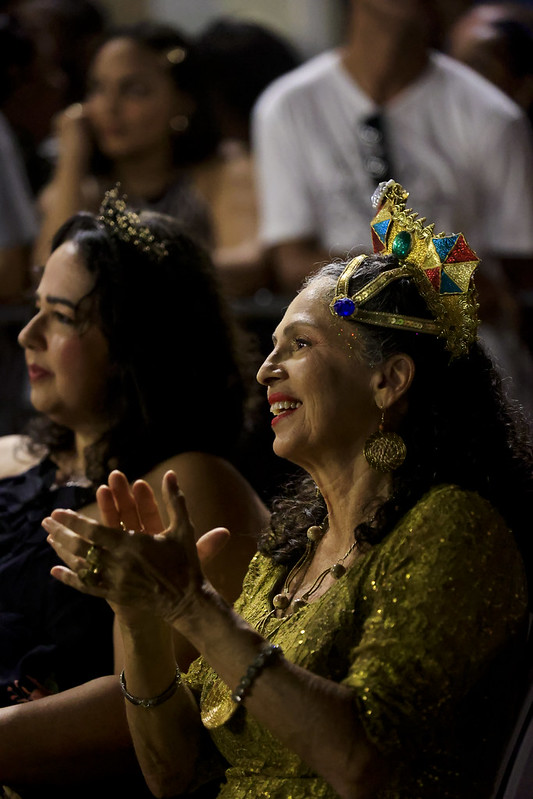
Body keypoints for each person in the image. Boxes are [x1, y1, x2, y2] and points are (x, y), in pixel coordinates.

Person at [45, 181, 532, 798]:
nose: (265, 369)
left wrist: (194, 606)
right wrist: (140, 617)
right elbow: (174, 774)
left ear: (390, 381)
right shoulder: (289, 552)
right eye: (271, 346)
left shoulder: (454, 526)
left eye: (299, 345)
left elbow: (366, 766)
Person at [0, 188, 268, 795]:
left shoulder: (192, 484)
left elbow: (178, 691)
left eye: (62, 317)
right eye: (35, 308)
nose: (27, 336)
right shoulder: (9, 456)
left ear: (136, 346)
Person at [33, 21, 218, 266]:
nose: (109, 107)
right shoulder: (79, 191)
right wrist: (72, 157)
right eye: (97, 88)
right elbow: (49, 270)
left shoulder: (215, 178)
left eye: (134, 90)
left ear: (183, 102)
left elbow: (249, 265)